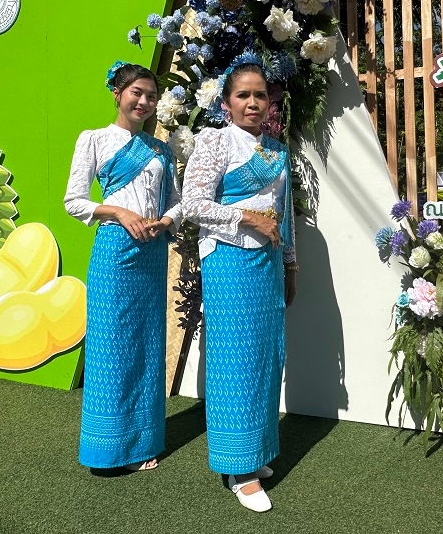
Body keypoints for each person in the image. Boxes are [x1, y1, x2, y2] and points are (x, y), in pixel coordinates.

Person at [182, 58, 298, 513]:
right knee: (235, 361)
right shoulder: (214, 141)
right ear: (226, 103)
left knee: (266, 359)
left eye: (260, 95)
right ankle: (238, 470)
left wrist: (291, 265)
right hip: (228, 261)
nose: (253, 103)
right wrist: (247, 217)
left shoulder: (276, 151)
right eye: (243, 95)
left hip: (267, 265)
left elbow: (284, 216)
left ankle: (255, 452)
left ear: (270, 103)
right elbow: (193, 204)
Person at [64, 61, 181, 472]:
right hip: (114, 252)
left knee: (147, 346)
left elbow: (176, 201)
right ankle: (109, 448)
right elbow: (74, 200)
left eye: (152, 96)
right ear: (117, 93)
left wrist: (164, 221)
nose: (144, 102)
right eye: (137, 93)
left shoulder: (161, 150)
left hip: (152, 253)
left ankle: (142, 443)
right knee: (111, 347)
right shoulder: (94, 139)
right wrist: (117, 212)